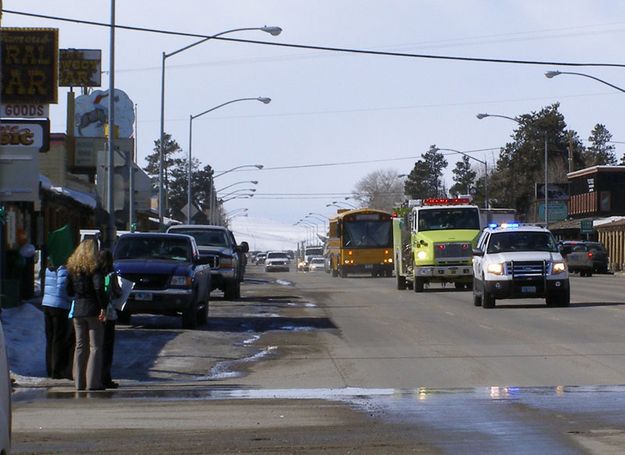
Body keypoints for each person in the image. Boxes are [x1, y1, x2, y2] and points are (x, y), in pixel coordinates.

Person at [66, 239, 107, 391]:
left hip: (77, 310)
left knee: (80, 346)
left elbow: (68, 290)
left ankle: (79, 382)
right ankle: (93, 383)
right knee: (95, 347)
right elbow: (98, 288)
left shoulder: (73, 268)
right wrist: (103, 306)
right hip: (93, 309)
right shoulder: (95, 268)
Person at [41, 258, 74, 380]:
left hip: (47, 304)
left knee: (49, 339)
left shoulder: (48, 270)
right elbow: (62, 289)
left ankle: (49, 368)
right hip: (59, 306)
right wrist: (71, 299)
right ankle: (57, 370)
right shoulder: (63, 270)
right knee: (58, 339)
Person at [98, 249, 122, 389]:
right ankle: (105, 377)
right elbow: (117, 292)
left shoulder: (95, 272)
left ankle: (94, 375)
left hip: (97, 312)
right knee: (107, 347)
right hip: (109, 312)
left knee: (96, 346)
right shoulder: (111, 274)